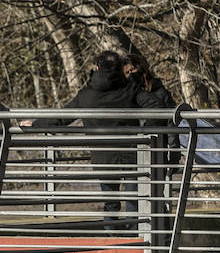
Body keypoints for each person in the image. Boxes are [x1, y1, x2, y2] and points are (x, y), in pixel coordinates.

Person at [40, 49, 174, 222]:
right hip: (132, 154)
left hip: (103, 155)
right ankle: (136, 239)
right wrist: (145, 132)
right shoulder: (130, 90)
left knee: (110, 202)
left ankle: (112, 239)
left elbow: (62, 118)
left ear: (96, 68)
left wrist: (35, 124)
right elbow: (157, 107)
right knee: (135, 200)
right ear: (119, 69)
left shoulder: (87, 95)